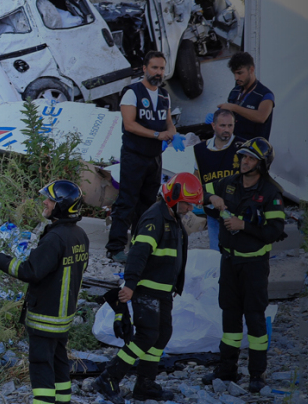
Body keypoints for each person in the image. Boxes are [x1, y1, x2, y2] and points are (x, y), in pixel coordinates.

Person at [94, 173, 202, 402]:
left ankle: (145, 384)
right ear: (173, 197)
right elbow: (138, 254)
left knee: (162, 335)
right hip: (147, 289)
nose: (189, 208)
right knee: (146, 335)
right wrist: (131, 285)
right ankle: (108, 378)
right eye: (187, 202)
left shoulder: (171, 217)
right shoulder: (155, 219)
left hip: (163, 290)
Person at [0, 180, 89, 404]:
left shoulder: (55, 238)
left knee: (41, 365)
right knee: (59, 362)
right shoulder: (80, 235)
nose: (45, 202)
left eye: (50, 199)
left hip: (45, 317)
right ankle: (63, 401)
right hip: (63, 317)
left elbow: (31, 271)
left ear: (62, 206)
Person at [201, 138, 287, 394]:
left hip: (254, 267)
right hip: (229, 262)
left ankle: (257, 375)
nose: (244, 161)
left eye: (250, 158)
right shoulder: (229, 183)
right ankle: (227, 370)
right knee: (229, 315)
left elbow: (275, 231)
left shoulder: (271, 192)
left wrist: (244, 226)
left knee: (255, 319)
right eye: (243, 157)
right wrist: (213, 196)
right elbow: (199, 190)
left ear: (261, 164)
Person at [106, 51, 177, 263]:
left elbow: (168, 122)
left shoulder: (164, 96)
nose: (158, 72)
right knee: (127, 201)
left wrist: (172, 133)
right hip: (134, 155)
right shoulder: (132, 92)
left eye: (162, 68)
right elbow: (130, 124)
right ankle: (115, 247)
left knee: (147, 204)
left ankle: (140, 245)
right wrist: (157, 134)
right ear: (145, 68)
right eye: (154, 68)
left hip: (154, 158)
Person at [194, 109, 240, 250]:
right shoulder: (200, 150)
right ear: (213, 126)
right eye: (223, 126)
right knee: (216, 256)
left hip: (238, 213)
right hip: (213, 213)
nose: (227, 130)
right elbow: (197, 180)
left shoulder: (242, 147)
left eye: (230, 126)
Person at [219, 52, 275, 141]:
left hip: (254, 150)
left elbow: (261, 117)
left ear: (251, 70)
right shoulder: (235, 91)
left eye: (240, 73)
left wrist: (234, 107)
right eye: (234, 74)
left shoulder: (265, 94)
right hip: (233, 145)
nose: (236, 78)